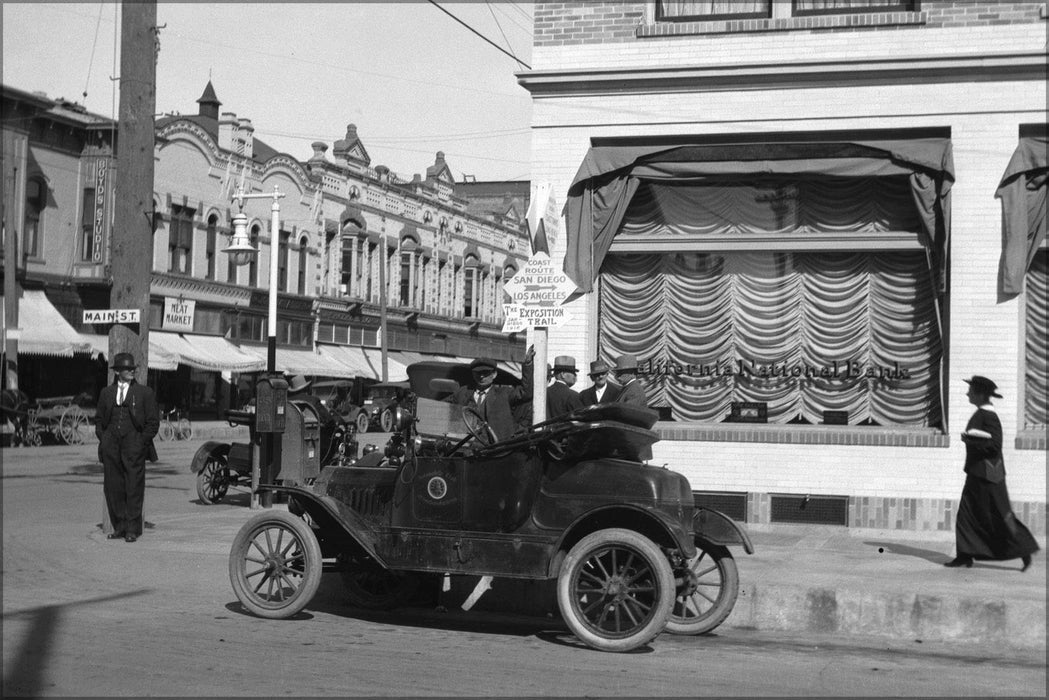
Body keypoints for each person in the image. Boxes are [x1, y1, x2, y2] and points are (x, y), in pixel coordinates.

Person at [945, 375, 1039, 571]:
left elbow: (995, 445)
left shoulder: (988, 416)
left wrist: (972, 441)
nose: (967, 393)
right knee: (967, 514)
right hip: (977, 473)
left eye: (971, 391)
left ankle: (1024, 549)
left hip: (989, 476)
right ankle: (964, 555)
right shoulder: (981, 413)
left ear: (980, 395)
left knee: (1001, 514)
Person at [95, 352, 159, 543]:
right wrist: (104, 438)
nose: (131, 371)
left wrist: (140, 443)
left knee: (133, 487)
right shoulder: (106, 393)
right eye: (127, 369)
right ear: (118, 372)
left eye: (132, 368)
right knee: (114, 487)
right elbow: (98, 420)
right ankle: (120, 526)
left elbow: (153, 423)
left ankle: (132, 529)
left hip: (134, 445)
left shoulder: (144, 393)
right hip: (111, 445)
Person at [445, 346, 534, 441]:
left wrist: (528, 365)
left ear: (494, 374)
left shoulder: (504, 393)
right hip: (465, 447)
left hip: (494, 450)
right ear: (473, 374)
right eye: (477, 373)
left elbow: (526, 392)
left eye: (486, 373)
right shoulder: (462, 392)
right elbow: (441, 407)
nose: (482, 376)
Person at [612, 353, 652, 461]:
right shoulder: (627, 388)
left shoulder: (634, 391)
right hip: (629, 444)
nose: (617, 377)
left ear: (631, 373)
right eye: (617, 373)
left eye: (620, 373)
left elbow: (627, 415)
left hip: (633, 445)